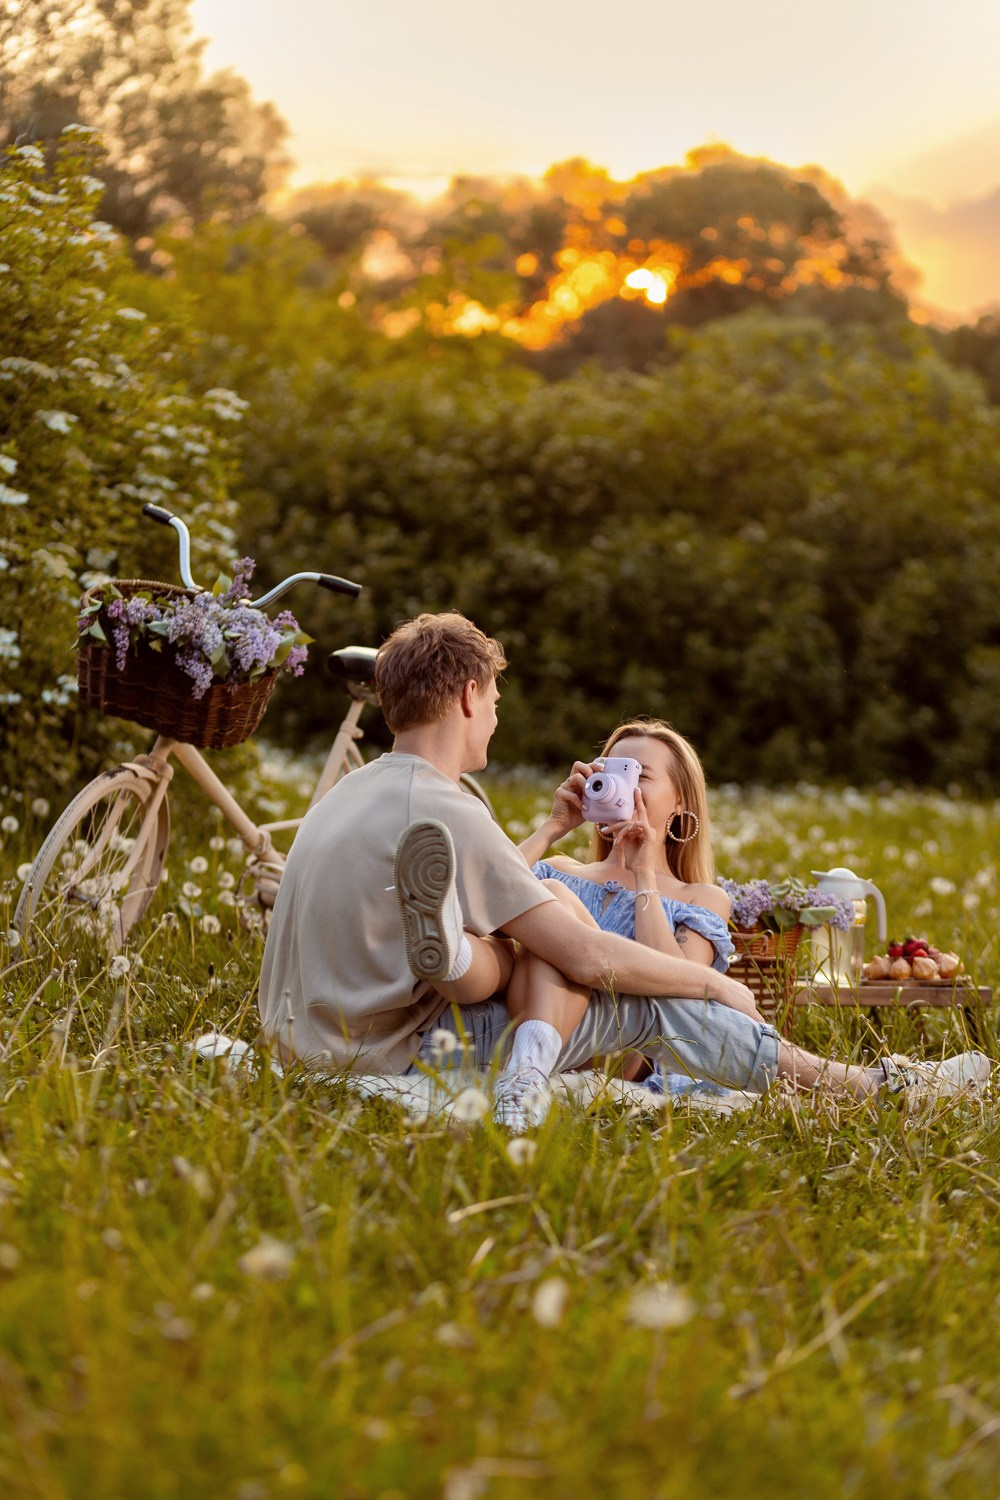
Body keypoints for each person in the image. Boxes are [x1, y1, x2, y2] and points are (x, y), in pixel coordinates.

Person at [258, 611, 990, 1129]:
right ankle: (879, 1088)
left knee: (536, 930)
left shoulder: (348, 793)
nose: (496, 721)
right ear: (469, 695)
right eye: (495, 703)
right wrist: (713, 982)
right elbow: (581, 955)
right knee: (626, 989)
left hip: (306, 1040)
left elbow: (530, 925)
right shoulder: (445, 807)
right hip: (400, 1055)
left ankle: (879, 1084)